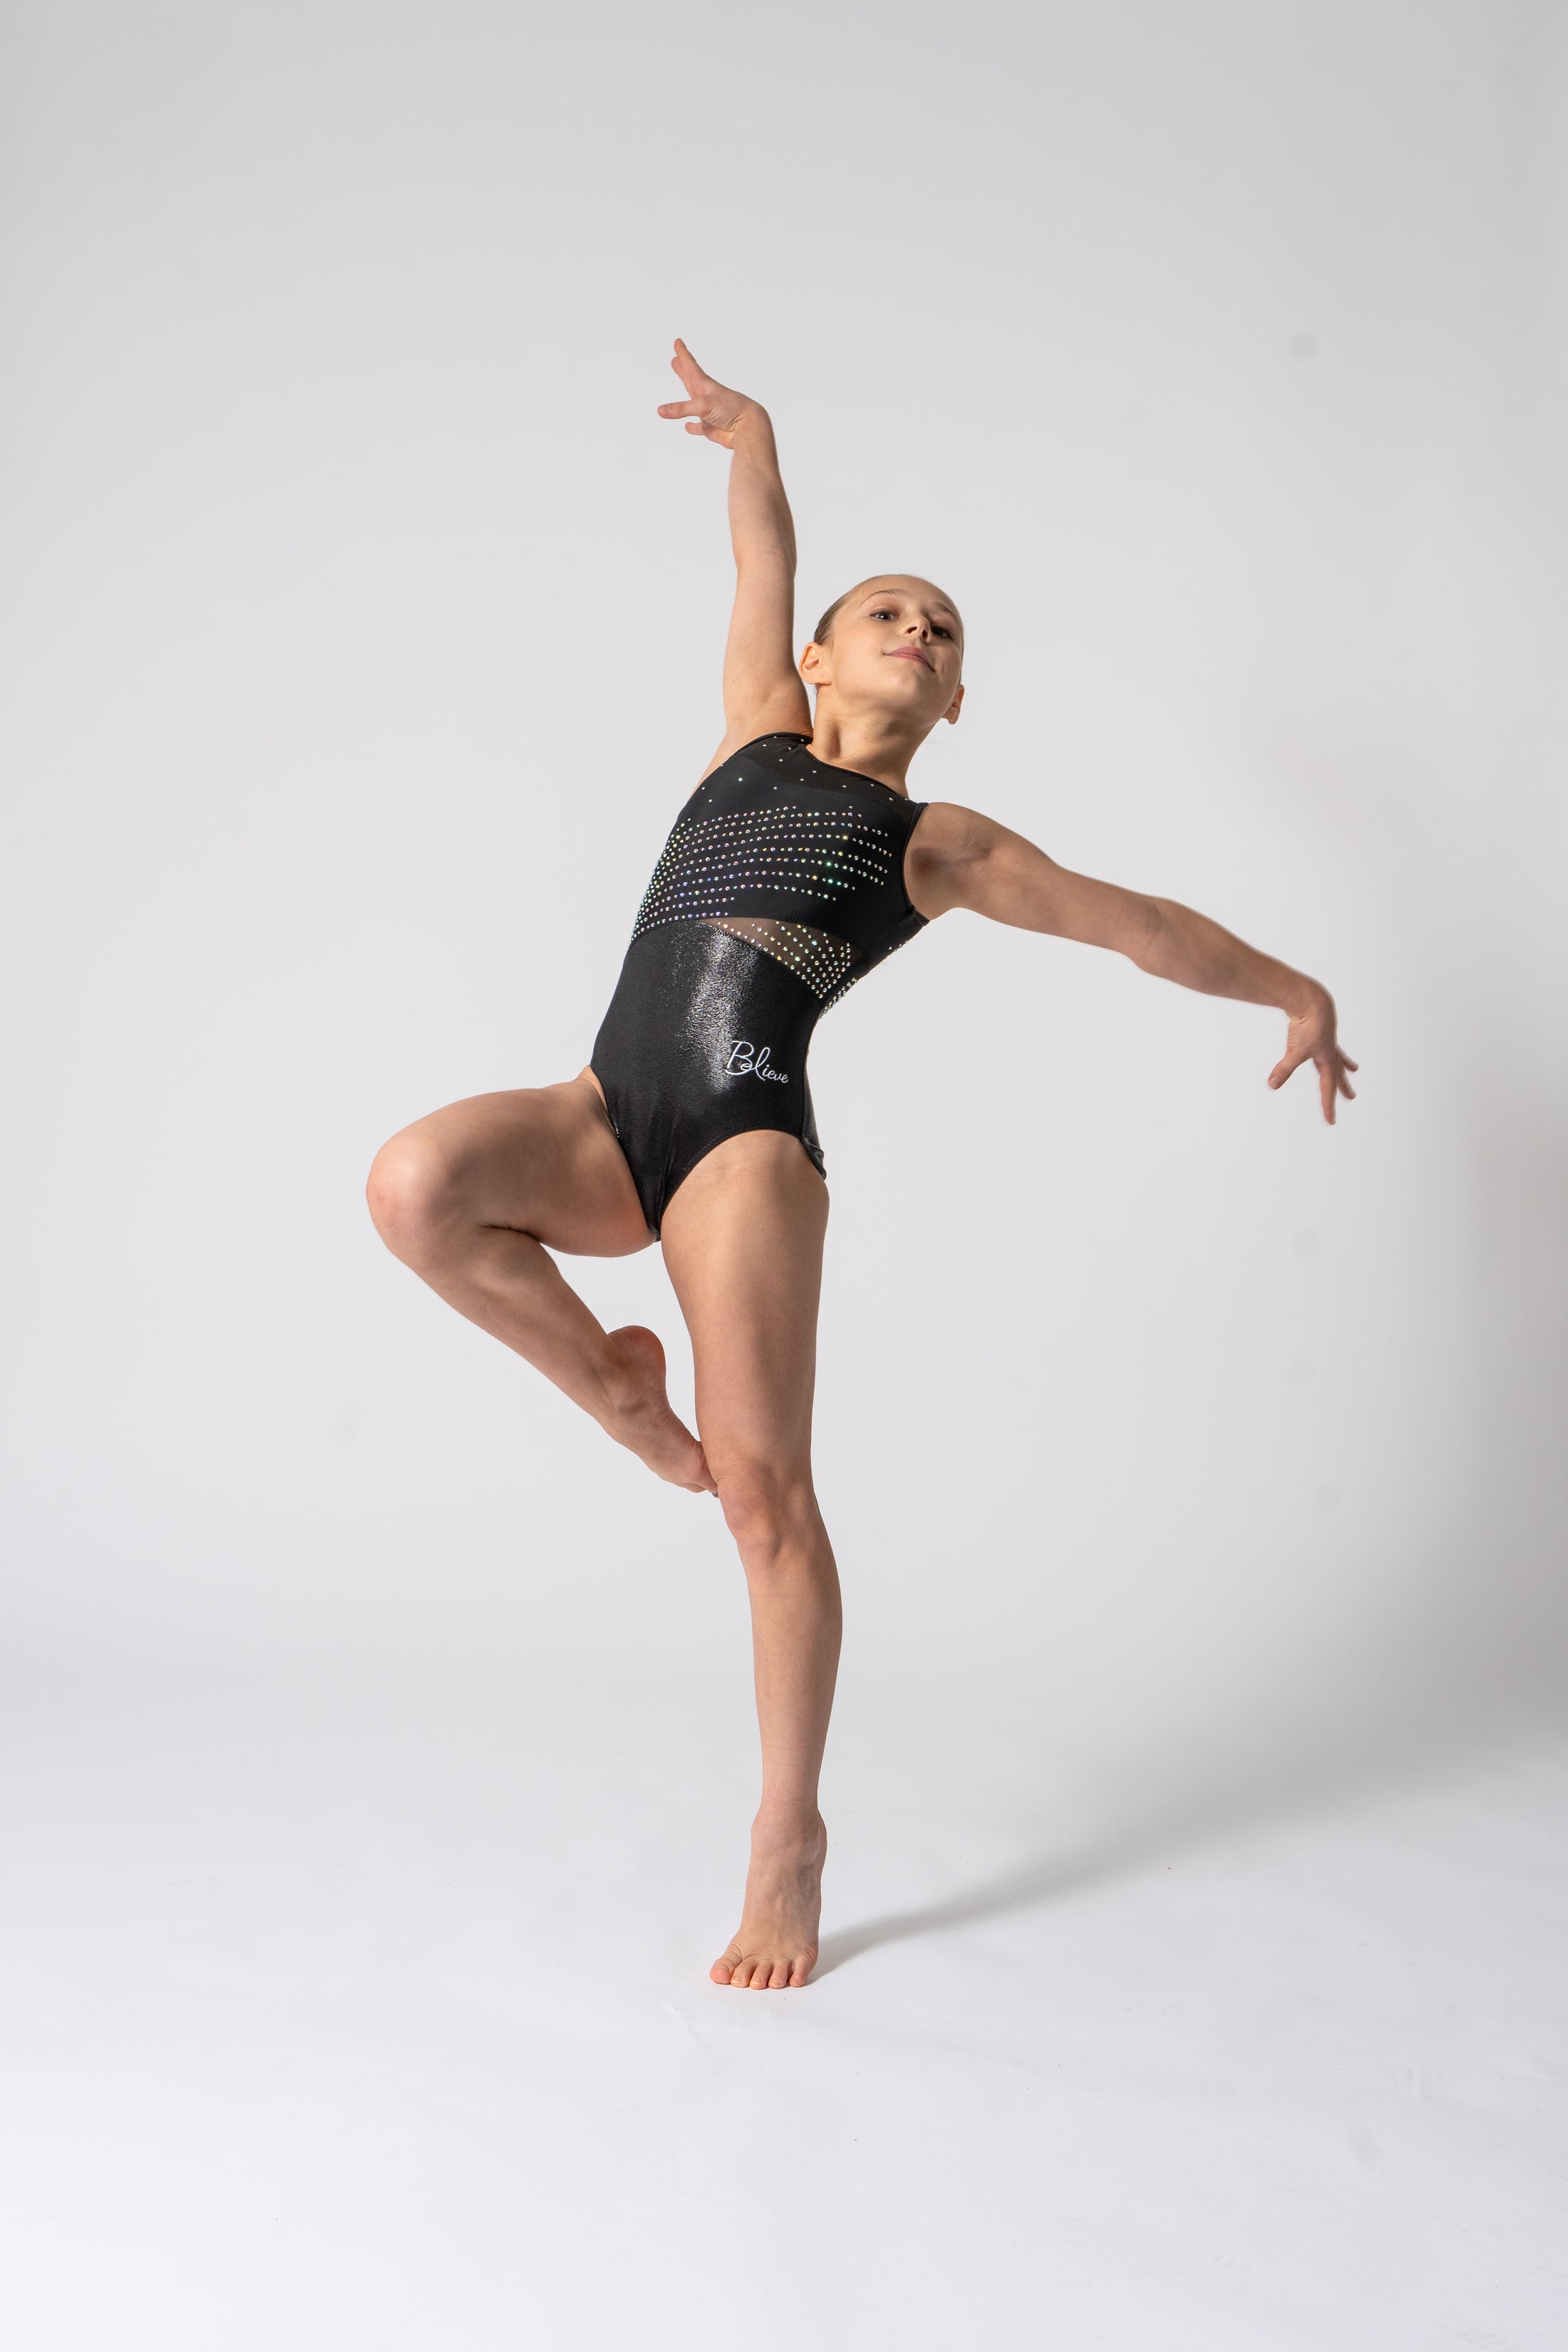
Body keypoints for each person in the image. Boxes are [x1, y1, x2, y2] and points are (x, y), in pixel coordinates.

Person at [366, 339, 1358, 1991]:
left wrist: (1291, 988)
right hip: (603, 1107)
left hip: (740, 1142)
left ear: (954, 700)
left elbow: (1143, 928)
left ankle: (787, 1833)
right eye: (886, 612)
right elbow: (761, 550)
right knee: (416, 1184)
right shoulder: (755, 727)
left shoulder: (939, 844)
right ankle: (620, 1392)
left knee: (761, 1498)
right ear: (820, 658)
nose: (915, 630)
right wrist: (754, 437)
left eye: (944, 631)